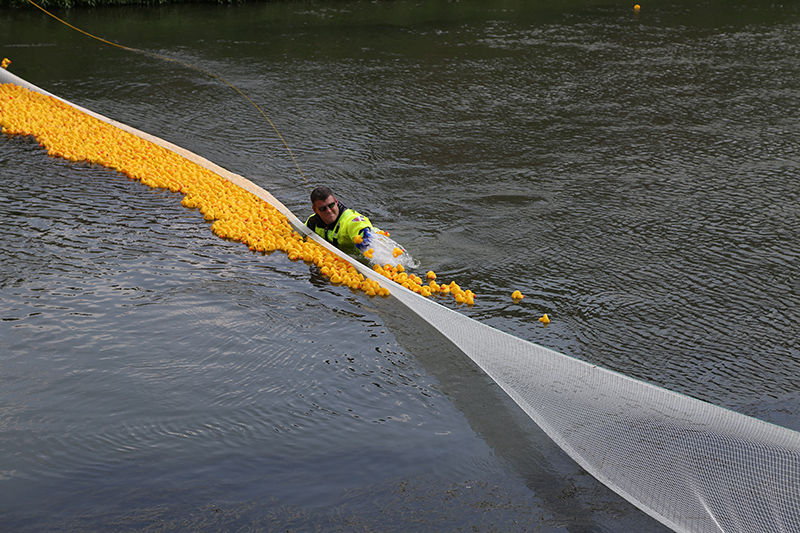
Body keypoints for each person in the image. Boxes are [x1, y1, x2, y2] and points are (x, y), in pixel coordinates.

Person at [305, 186, 375, 249]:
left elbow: (360, 226)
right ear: (315, 210)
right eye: (322, 209)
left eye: (331, 205)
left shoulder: (349, 220)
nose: (328, 211)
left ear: (336, 201)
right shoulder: (312, 222)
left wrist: (367, 237)